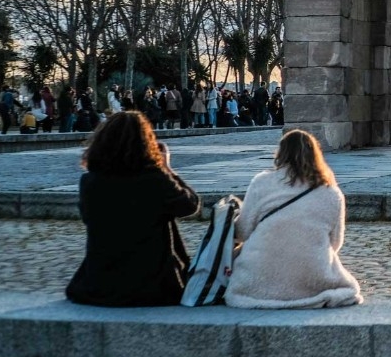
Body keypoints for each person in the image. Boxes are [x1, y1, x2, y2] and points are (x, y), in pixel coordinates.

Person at [65, 111, 200, 306]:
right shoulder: (154, 179)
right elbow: (191, 205)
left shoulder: (90, 181)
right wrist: (167, 169)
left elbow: (88, 218)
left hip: (100, 283)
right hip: (152, 285)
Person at [225, 129, 362, 309]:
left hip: (260, 275)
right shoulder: (332, 193)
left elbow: (243, 232)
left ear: (280, 153)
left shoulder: (261, 182)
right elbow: (335, 243)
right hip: (312, 274)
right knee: (347, 285)